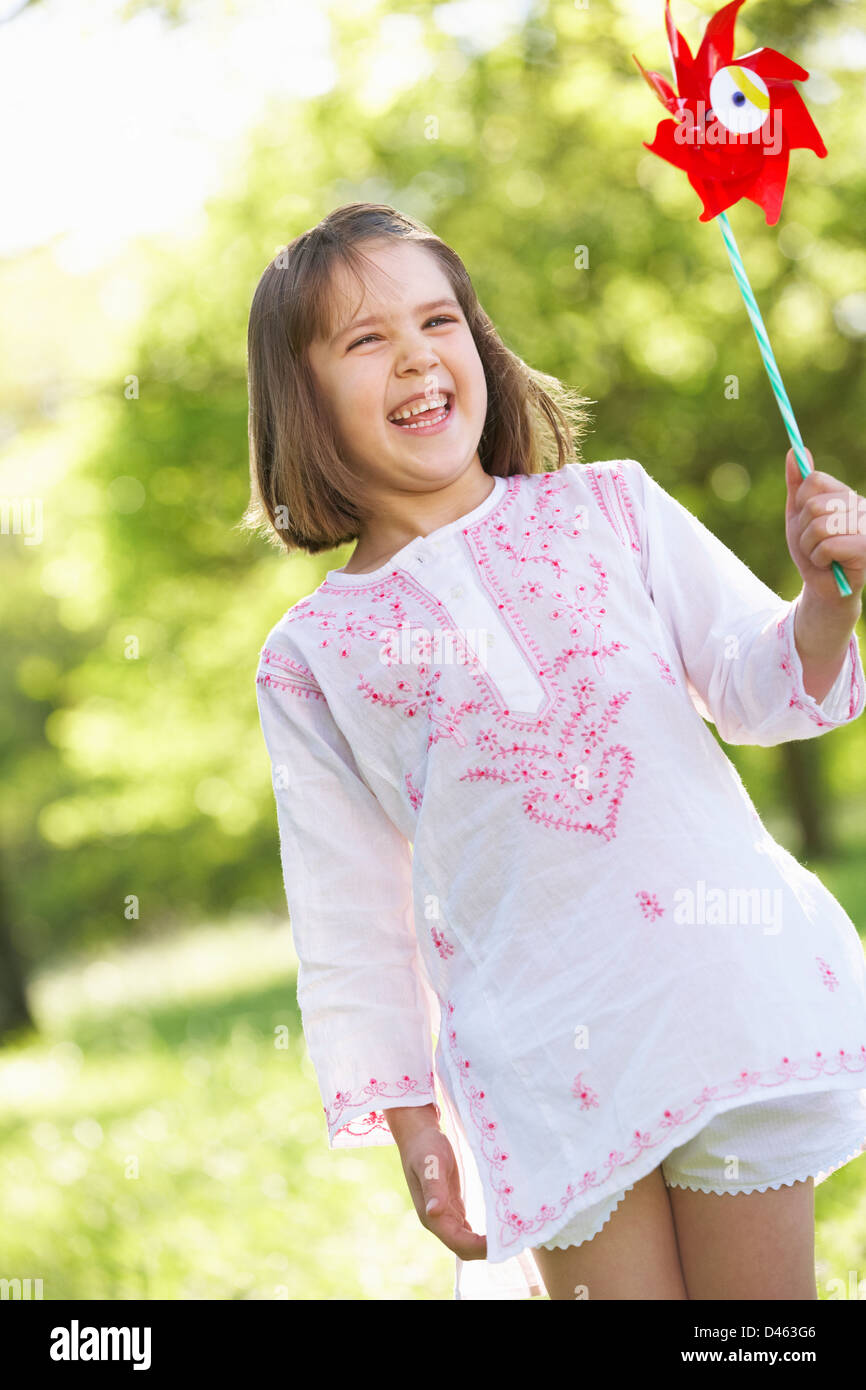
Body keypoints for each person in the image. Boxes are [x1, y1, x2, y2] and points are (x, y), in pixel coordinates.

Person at [244, 201, 866, 1301]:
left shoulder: (609, 507)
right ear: (300, 400)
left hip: (718, 990)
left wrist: (819, 601)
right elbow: (348, 919)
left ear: (478, 345)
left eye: (438, 321)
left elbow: (757, 685)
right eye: (366, 338)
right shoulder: (313, 656)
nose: (417, 357)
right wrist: (409, 1120)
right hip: (542, 1055)